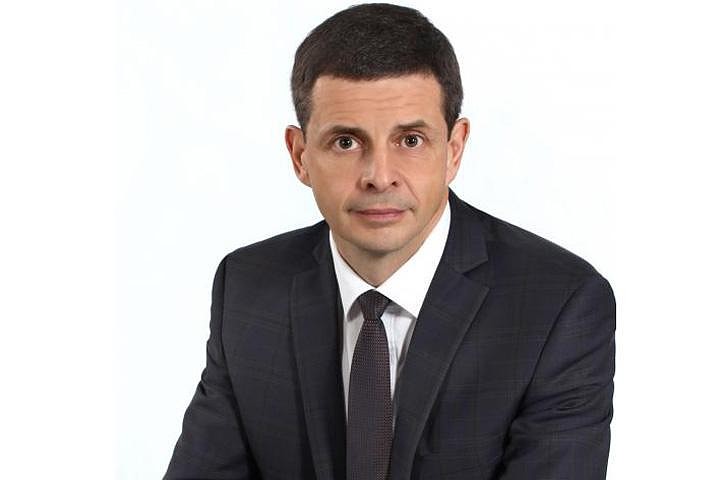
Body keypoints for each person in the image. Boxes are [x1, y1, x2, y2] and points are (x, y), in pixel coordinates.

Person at [164, 3, 615, 479]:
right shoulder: (247, 288)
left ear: (454, 149)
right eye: (346, 142)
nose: (379, 176)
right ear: (300, 156)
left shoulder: (558, 305)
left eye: (410, 140)